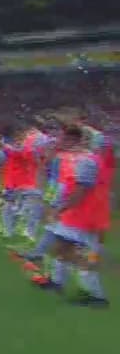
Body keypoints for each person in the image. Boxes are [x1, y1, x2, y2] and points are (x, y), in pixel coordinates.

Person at [30, 124, 109, 307]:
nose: (59, 141)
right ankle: (57, 282)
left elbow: (81, 191)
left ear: (75, 140)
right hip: (75, 214)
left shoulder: (86, 161)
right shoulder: (73, 158)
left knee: (82, 255)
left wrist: (59, 209)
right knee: (61, 248)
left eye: (63, 138)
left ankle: (97, 297)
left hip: (87, 216)